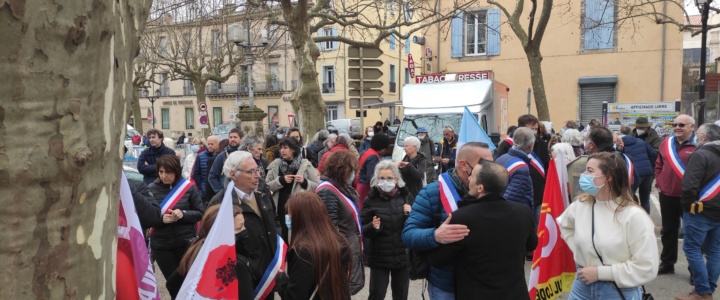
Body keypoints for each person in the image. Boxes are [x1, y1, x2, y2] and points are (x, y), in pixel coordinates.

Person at [429, 159, 537, 299]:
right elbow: (532, 245)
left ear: (480, 188)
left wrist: (434, 235)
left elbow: (439, 259)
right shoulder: (523, 212)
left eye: (472, 175)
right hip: (515, 294)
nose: (469, 178)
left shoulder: (462, 217)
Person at [558, 152, 658, 299]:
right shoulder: (580, 205)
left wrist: (600, 273)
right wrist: (581, 252)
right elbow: (565, 225)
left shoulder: (634, 216)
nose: (583, 175)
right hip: (582, 286)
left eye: (590, 171)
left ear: (609, 177)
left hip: (617, 291)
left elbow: (647, 268)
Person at [402, 142, 493, 299]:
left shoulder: (492, 190)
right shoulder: (432, 193)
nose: (491, 169)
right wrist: (435, 235)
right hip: (446, 286)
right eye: (485, 164)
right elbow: (409, 235)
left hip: (483, 283)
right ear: (464, 165)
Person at [209, 151, 279, 296]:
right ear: (233, 174)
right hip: (244, 277)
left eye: (257, 170)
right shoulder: (219, 204)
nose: (258, 175)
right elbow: (215, 247)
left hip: (270, 271)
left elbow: (275, 221)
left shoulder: (262, 189)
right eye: (251, 172)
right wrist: (247, 264)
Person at [166, 204, 254, 300]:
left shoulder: (199, 249)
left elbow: (172, 284)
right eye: (239, 228)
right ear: (223, 231)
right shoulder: (235, 263)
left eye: (244, 225)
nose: (244, 230)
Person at [276, 192, 352, 299]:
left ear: (301, 217)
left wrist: (281, 279)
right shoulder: (339, 240)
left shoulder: (302, 251)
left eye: (290, 214)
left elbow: (294, 296)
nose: (288, 218)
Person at [678, 123, 720, 300]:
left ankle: (702, 291)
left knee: (692, 248)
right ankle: (708, 289)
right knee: (714, 251)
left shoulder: (701, 153)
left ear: (704, 137)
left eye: (698, 134)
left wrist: (687, 206)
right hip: (718, 211)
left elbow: (689, 186)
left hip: (700, 211)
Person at [147, 155, 205, 281]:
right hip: (161, 245)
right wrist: (161, 219)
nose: (164, 176)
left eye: (168, 172)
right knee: (173, 283)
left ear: (176, 171)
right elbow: (146, 217)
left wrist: (183, 214)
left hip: (184, 242)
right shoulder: (150, 189)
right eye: (161, 172)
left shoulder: (189, 188)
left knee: (188, 282)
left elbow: (200, 212)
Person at [361, 161, 413, 300]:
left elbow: (416, 225)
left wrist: (411, 214)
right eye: (382, 178)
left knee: (401, 295)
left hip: (401, 256)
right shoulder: (370, 199)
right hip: (380, 257)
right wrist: (373, 227)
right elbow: (362, 229)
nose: (385, 182)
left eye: (389, 178)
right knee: (376, 295)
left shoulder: (406, 197)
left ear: (396, 179)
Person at [315, 151, 365, 295]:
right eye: (352, 170)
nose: (354, 175)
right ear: (341, 169)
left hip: (348, 249)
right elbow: (330, 229)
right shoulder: (327, 191)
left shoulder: (342, 188)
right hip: (339, 256)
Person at [655, 114, 697, 275]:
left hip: (690, 197)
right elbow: (659, 164)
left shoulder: (698, 145)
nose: (677, 127)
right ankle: (667, 263)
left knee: (692, 233)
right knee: (668, 231)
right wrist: (660, 181)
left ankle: (694, 269)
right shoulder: (666, 143)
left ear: (691, 127)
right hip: (667, 195)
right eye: (675, 125)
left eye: (682, 125)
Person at [495, 114, 550, 227]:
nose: (534, 132)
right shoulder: (508, 145)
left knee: (538, 227)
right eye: (531, 129)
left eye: (536, 129)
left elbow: (546, 166)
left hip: (539, 194)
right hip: (519, 195)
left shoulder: (541, 144)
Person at [266, 137, 320, 241]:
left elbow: (317, 186)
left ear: (294, 149)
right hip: (280, 207)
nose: (282, 150)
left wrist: (305, 182)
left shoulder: (305, 164)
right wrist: (280, 181)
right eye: (281, 148)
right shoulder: (276, 164)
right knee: (284, 234)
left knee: (298, 234)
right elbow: (266, 185)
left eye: (285, 148)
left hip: (299, 206)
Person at [618, 125, 657, 213]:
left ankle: (634, 218)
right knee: (645, 199)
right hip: (647, 173)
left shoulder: (620, 146)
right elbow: (654, 154)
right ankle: (646, 220)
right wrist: (649, 165)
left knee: (630, 196)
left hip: (633, 174)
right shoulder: (640, 141)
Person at [495, 127, 535, 212]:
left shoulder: (501, 158)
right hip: (514, 215)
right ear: (530, 145)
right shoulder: (521, 169)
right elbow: (511, 198)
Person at [357, 134, 392, 210]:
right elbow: (371, 177)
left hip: (361, 185)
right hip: (366, 188)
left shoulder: (368, 152)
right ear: (382, 148)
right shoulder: (373, 157)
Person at [208, 128, 242, 194]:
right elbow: (212, 176)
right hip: (228, 193)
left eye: (235, 137)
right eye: (231, 137)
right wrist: (221, 192)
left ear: (241, 139)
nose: (232, 139)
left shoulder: (246, 155)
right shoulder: (222, 156)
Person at [192, 135, 219, 203]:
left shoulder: (220, 156)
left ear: (217, 144)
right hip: (204, 191)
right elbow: (196, 173)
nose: (210, 146)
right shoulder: (201, 156)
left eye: (212, 144)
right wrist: (201, 185)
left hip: (217, 191)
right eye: (208, 144)